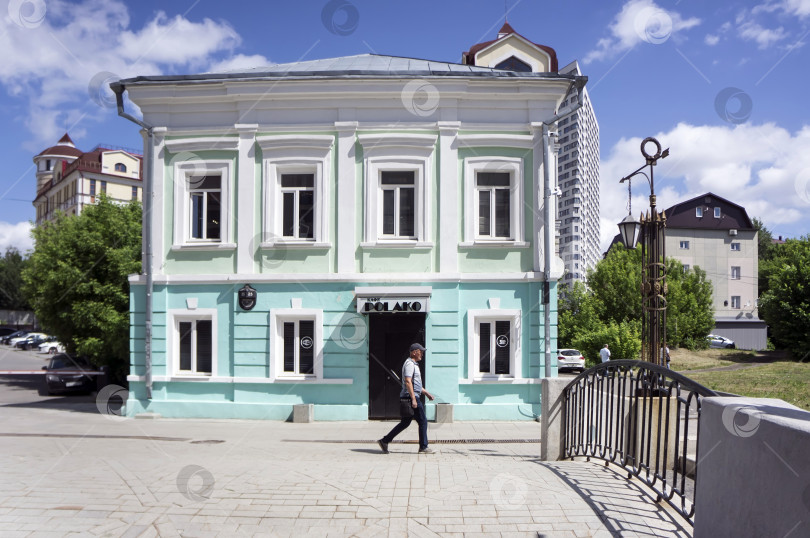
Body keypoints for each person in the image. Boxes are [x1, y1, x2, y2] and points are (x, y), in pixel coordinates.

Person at [378, 343, 435, 454]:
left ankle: (385, 440)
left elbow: (415, 384)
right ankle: (423, 447)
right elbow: (408, 381)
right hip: (411, 397)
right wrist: (413, 399)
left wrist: (426, 393)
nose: (422, 354)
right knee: (423, 421)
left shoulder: (414, 364)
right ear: (414, 352)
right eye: (420, 351)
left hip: (411, 396)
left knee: (405, 422)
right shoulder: (409, 364)